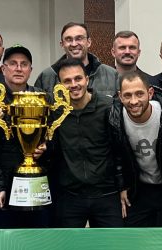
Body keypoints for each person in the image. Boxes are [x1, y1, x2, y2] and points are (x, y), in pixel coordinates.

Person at [0, 44, 52, 229]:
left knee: (38, 243)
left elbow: (53, 139)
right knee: (2, 246)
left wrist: (46, 147)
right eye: (13, 63)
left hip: (35, 188)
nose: (18, 68)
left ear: (30, 70)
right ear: (3, 69)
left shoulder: (42, 99)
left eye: (24, 64)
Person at [45, 57, 123, 227]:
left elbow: (120, 150)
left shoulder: (108, 107)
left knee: (113, 243)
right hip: (70, 196)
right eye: (67, 81)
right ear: (60, 85)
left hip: (107, 195)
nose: (74, 85)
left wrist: (123, 186)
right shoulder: (56, 114)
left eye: (78, 78)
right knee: (69, 244)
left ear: (87, 79)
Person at [109, 70, 162, 226]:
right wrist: (122, 186)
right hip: (140, 188)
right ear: (120, 96)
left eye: (139, 94)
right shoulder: (115, 119)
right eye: (127, 95)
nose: (134, 101)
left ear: (150, 93)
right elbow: (117, 155)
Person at [35, 21, 118, 97]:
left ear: (88, 42)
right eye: (69, 39)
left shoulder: (111, 75)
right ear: (62, 44)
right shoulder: (47, 77)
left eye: (79, 38)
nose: (74, 44)